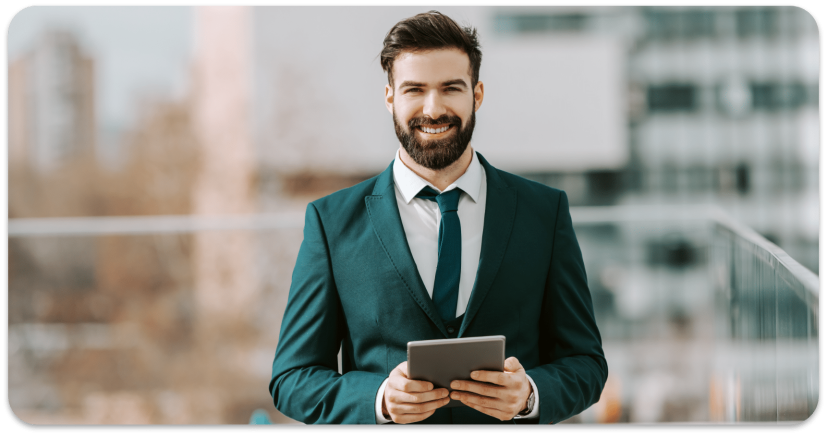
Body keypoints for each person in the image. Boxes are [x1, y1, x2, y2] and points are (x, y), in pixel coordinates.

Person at [269, 10, 607, 425]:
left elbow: (586, 362)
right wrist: (379, 400)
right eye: (414, 89)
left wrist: (530, 395)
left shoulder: (543, 212)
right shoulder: (332, 222)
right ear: (390, 96)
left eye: (451, 88)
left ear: (477, 94)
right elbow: (291, 378)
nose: (434, 108)